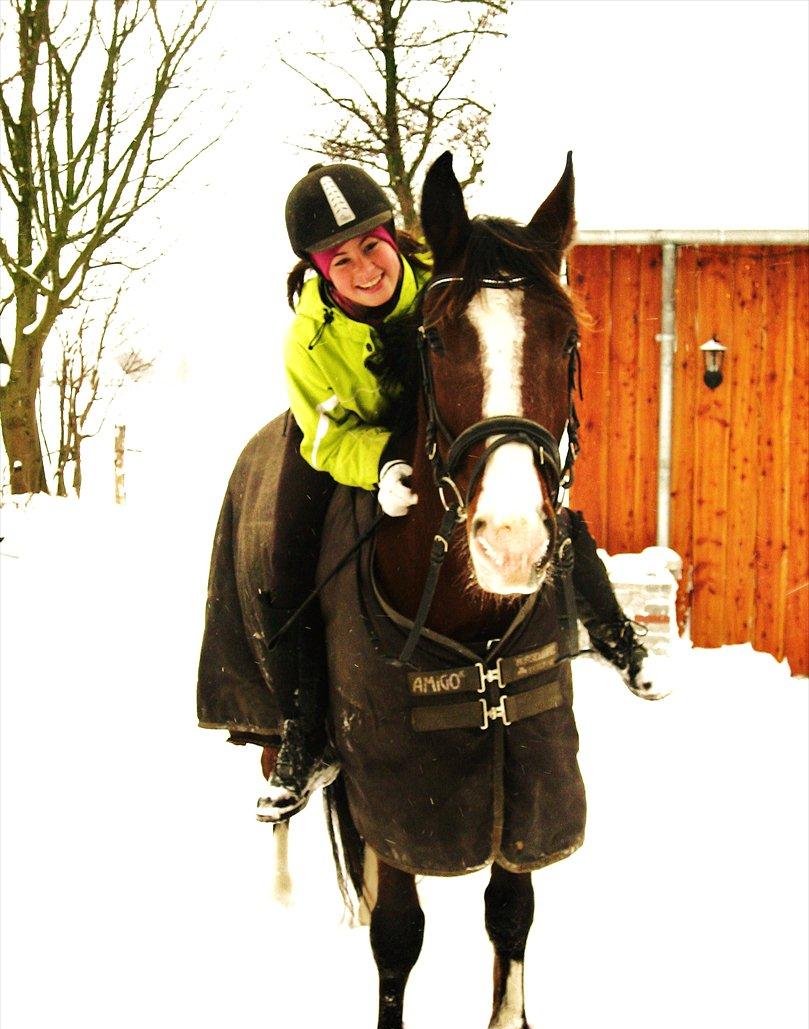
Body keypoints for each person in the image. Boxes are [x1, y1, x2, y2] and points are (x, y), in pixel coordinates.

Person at [254, 163, 666, 824]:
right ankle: (303, 730)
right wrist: (381, 466)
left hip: (442, 424)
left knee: (544, 504)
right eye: (341, 260)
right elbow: (327, 437)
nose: (364, 269)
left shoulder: (442, 278)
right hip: (347, 439)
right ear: (317, 270)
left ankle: (616, 636)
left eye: (371, 247)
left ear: (393, 238)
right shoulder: (308, 341)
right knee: (289, 555)